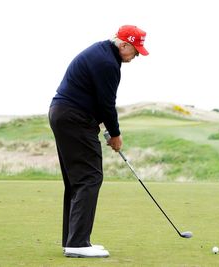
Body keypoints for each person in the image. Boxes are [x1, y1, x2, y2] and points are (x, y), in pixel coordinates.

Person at [48, 25, 149, 258]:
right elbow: (106, 104)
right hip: (74, 118)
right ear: (123, 44)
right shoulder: (108, 63)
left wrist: (101, 125)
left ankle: (72, 240)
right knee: (90, 177)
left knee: (77, 180)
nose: (136, 57)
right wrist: (115, 134)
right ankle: (78, 243)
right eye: (135, 51)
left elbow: (95, 100)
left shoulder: (101, 52)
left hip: (64, 114)